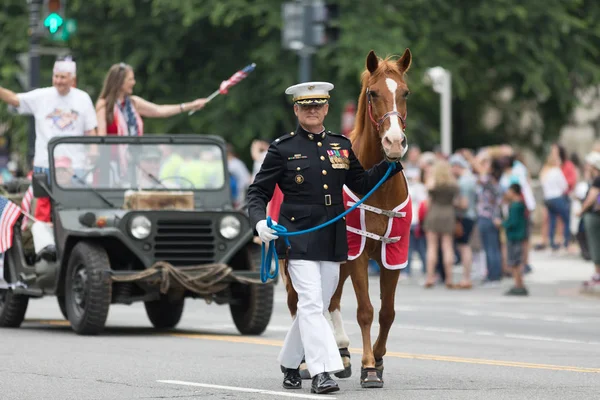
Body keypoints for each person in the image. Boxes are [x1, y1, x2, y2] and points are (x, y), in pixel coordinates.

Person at [246, 81, 404, 394]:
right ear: (297, 110)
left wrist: (391, 160)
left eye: (318, 105)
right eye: (306, 106)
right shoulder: (282, 148)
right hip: (297, 237)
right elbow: (257, 191)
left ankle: (290, 363)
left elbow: (360, 182)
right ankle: (322, 372)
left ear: (326, 108)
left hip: (333, 237)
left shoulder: (341, 145)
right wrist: (260, 222)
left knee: (315, 306)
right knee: (309, 302)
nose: (313, 110)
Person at [0, 57, 98, 221]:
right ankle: (45, 244)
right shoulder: (43, 96)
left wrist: (94, 153)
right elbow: (15, 99)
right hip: (45, 165)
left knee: (72, 211)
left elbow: (91, 131)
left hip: (74, 167)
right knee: (42, 212)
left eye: (63, 77)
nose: (58, 81)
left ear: (72, 79)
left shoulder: (83, 99)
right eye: (56, 77)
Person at [95, 63, 208, 138]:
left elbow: (160, 111)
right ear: (119, 82)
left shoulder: (133, 103)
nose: (133, 82)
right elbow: (101, 135)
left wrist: (191, 105)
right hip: (111, 164)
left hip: (132, 161)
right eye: (130, 79)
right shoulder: (104, 104)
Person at [497, 183, 529, 296]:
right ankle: (519, 284)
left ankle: (518, 284)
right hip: (518, 236)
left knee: (515, 262)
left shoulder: (515, 205)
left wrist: (502, 223)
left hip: (514, 236)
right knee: (516, 262)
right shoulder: (519, 204)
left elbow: (512, 222)